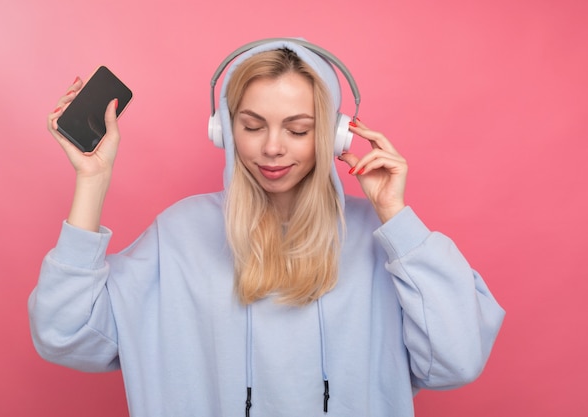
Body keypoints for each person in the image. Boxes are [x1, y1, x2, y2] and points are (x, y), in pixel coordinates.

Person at [29, 38, 505, 417]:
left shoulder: (380, 240)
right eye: (252, 125)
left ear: (334, 133)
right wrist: (92, 181)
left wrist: (396, 218)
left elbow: (457, 359)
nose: (273, 148)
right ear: (223, 129)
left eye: (299, 129)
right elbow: (63, 333)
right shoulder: (179, 234)